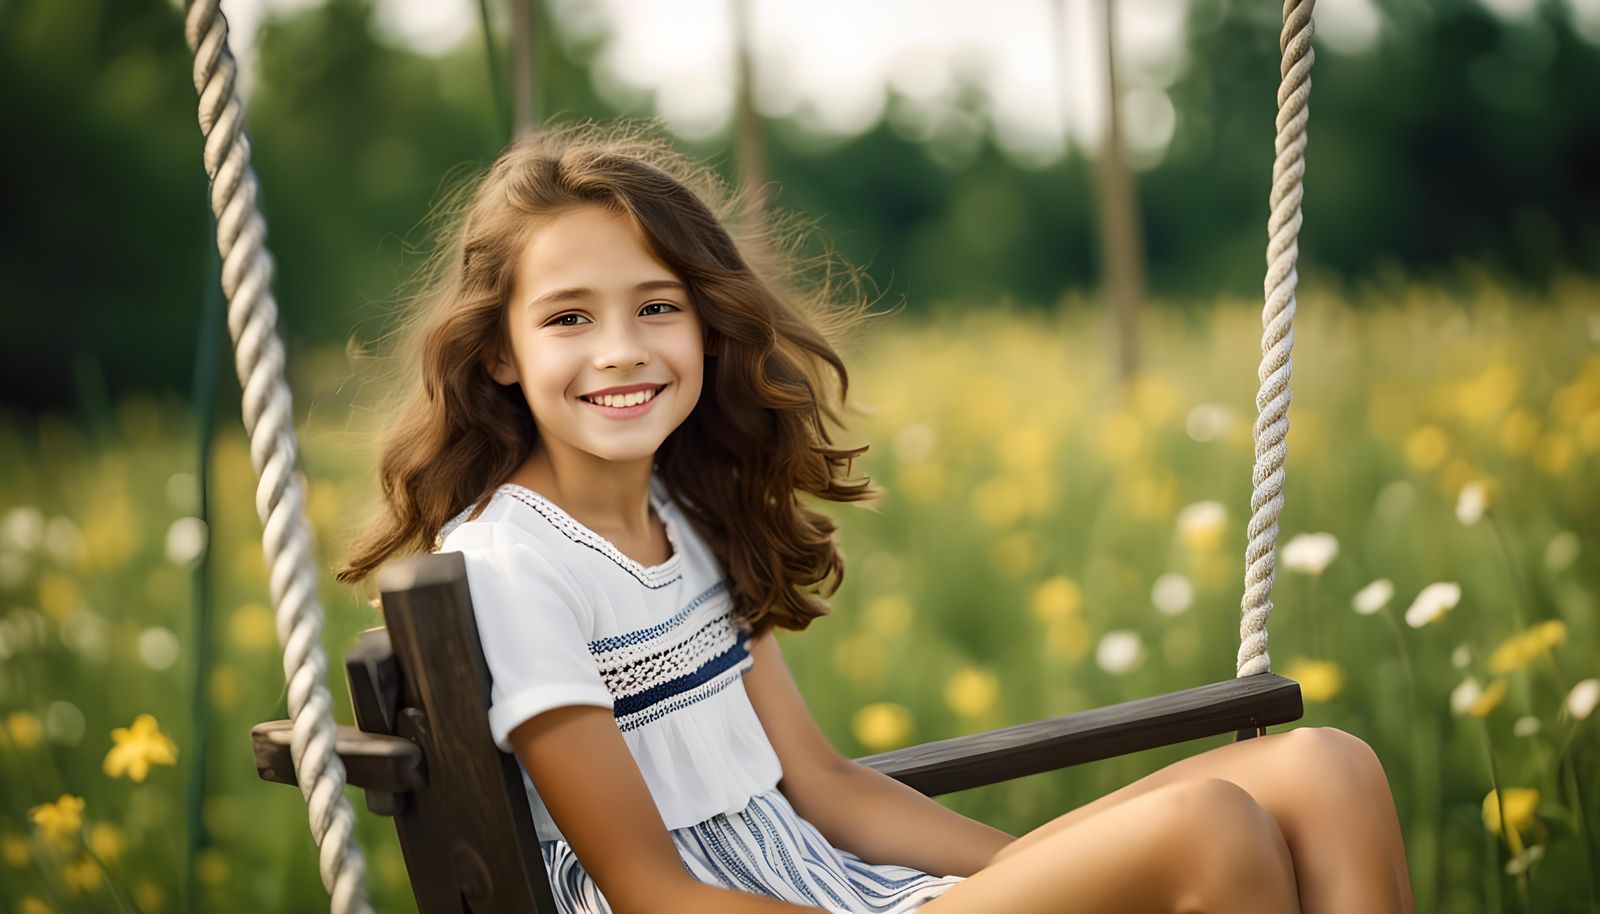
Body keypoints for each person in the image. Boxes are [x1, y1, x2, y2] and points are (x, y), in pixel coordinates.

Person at [335, 118, 1415, 914]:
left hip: (836, 877)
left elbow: (821, 784)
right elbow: (650, 889)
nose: (620, 349)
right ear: (500, 352)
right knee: (1210, 827)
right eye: (569, 317)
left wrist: (1030, 878)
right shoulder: (519, 562)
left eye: (655, 304)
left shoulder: (686, 510)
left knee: (1325, 768)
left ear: (708, 326)